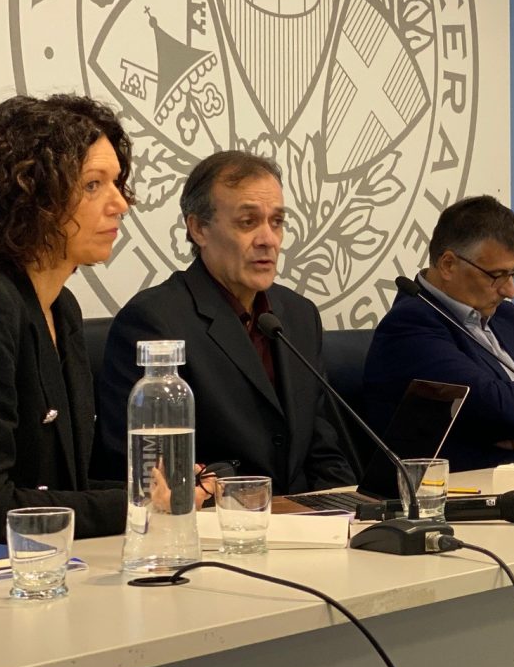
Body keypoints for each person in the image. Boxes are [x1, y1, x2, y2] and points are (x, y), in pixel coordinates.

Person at [0, 95, 169, 541]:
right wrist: (138, 506)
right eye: (93, 185)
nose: (121, 204)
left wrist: (162, 493)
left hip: (42, 570)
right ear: (30, 196)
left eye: (117, 183)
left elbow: (64, 491)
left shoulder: (63, 309)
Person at [96, 151, 356, 494]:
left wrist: (351, 515)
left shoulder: (298, 314)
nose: (268, 239)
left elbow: (323, 447)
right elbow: (140, 471)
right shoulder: (154, 321)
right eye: (248, 222)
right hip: (215, 524)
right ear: (199, 228)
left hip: (304, 523)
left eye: (276, 222)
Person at [363, 196, 514, 472]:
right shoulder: (410, 325)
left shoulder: (504, 317)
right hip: (468, 493)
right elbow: (501, 409)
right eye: (497, 275)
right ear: (448, 264)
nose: (510, 291)